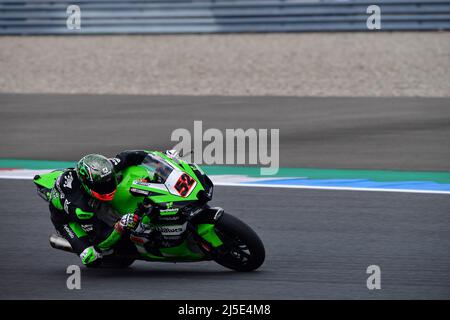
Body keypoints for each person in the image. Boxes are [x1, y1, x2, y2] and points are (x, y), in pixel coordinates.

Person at [49, 150, 148, 267]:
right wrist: (120, 226)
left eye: (110, 181)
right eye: (102, 185)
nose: (108, 186)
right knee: (91, 258)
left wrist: (158, 156)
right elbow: (101, 240)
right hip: (66, 220)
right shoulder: (82, 209)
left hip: (80, 188)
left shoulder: (104, 170)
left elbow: (127, 157)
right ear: (87, 186)